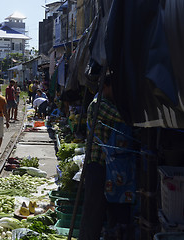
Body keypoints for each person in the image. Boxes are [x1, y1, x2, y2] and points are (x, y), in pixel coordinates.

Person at [79, 74, 135, 240]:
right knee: (93, 213)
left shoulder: (108, 103)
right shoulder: (99, 105)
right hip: (98, 166)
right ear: (105, 87)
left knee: (113, 212)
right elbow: (124, 118)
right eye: (114, 88)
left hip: (110, 168)